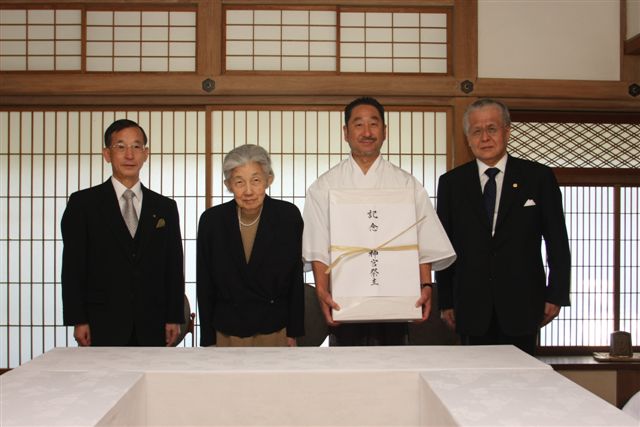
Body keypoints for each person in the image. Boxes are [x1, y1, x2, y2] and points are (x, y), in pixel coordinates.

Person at [303, 96, 456, 346]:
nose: (366, 132)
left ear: (385, 132)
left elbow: (423, 240)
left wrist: (425, 284)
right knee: (347, 369)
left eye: (374, 124)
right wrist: (321, 291)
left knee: (394, 366)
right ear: (345, 132)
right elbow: (318, 245)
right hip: (345, 297)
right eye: (358, 124)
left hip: (397, 297)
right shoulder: (324, 186)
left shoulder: (406, 184)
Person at [436, 98, 571, 355]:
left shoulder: (538, 178)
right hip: (470, 304)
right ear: (468, 137)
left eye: (492, 129)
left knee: (521, 382)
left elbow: (557, 240)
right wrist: (445, 301)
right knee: (474, 384)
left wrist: (556, 295)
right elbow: (445, 247)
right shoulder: (452, 183)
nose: (484, 137)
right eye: (476, 131)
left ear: (507, 131)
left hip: (524, 302)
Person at [61, 119, 185, 347]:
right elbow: (73, 265)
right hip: (101, 320)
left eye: (136, 147)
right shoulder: (83, 204)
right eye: (120, 147)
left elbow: (174, 265)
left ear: (145, 154)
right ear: (107, 154)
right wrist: (78, 319)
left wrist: (174, 316)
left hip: (153, 320)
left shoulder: (165, 207)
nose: (129, 155)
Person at [197, 144, 304, 347]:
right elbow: (205, 283)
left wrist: (294, 331)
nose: (248, 191)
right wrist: (207, 338)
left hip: (274, 327)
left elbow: (295, 278)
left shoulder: (288, 216)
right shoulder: (212, 221)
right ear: (228, 184)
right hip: (227, 330)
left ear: (268, 180)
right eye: (239, 182)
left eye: (256, 180)